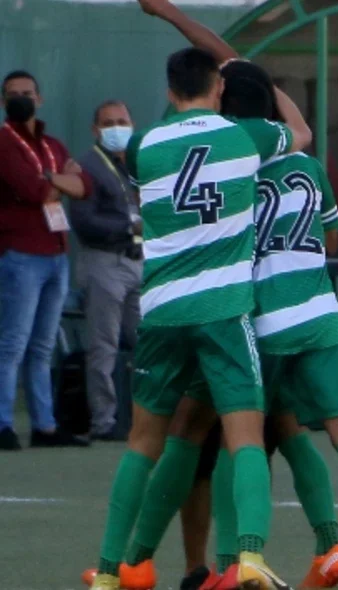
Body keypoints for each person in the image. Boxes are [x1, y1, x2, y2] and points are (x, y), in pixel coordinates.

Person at [84, 44, 311, 590]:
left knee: (143, 442)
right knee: (246, 438)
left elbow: (169, 152)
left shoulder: (142, 145)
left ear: (168, 91)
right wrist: (249, 77)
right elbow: (299, 134)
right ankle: (250, 558)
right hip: (223, 310)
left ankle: (111, 572)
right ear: (219, 89)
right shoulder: (245, 137)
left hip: (161, 310)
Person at [0, 69, 94, 451]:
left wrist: (53, 180)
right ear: (5, 102)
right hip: (21, 253)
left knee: (41, 347)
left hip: (56, 254)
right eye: (12, 94)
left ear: (40, 99)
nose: (21, 99)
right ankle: (3, 423)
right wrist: (59, 181)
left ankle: (45, 426)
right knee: (13, 343)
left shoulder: (52, 144)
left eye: (27, 93)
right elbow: (33, 188)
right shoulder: (4, 143)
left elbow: (85, 186)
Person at [67, 99, 142, 442]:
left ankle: (146, 416)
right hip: (104, 262)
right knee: (104, 345)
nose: (117, 128)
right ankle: (105, 420)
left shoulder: (134, 163)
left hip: (138, 260)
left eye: (122, 121)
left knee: (148, 342)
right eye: (109, 123)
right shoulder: (86, 166)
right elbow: (84, 222)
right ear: (96, 130)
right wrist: (128, 226)